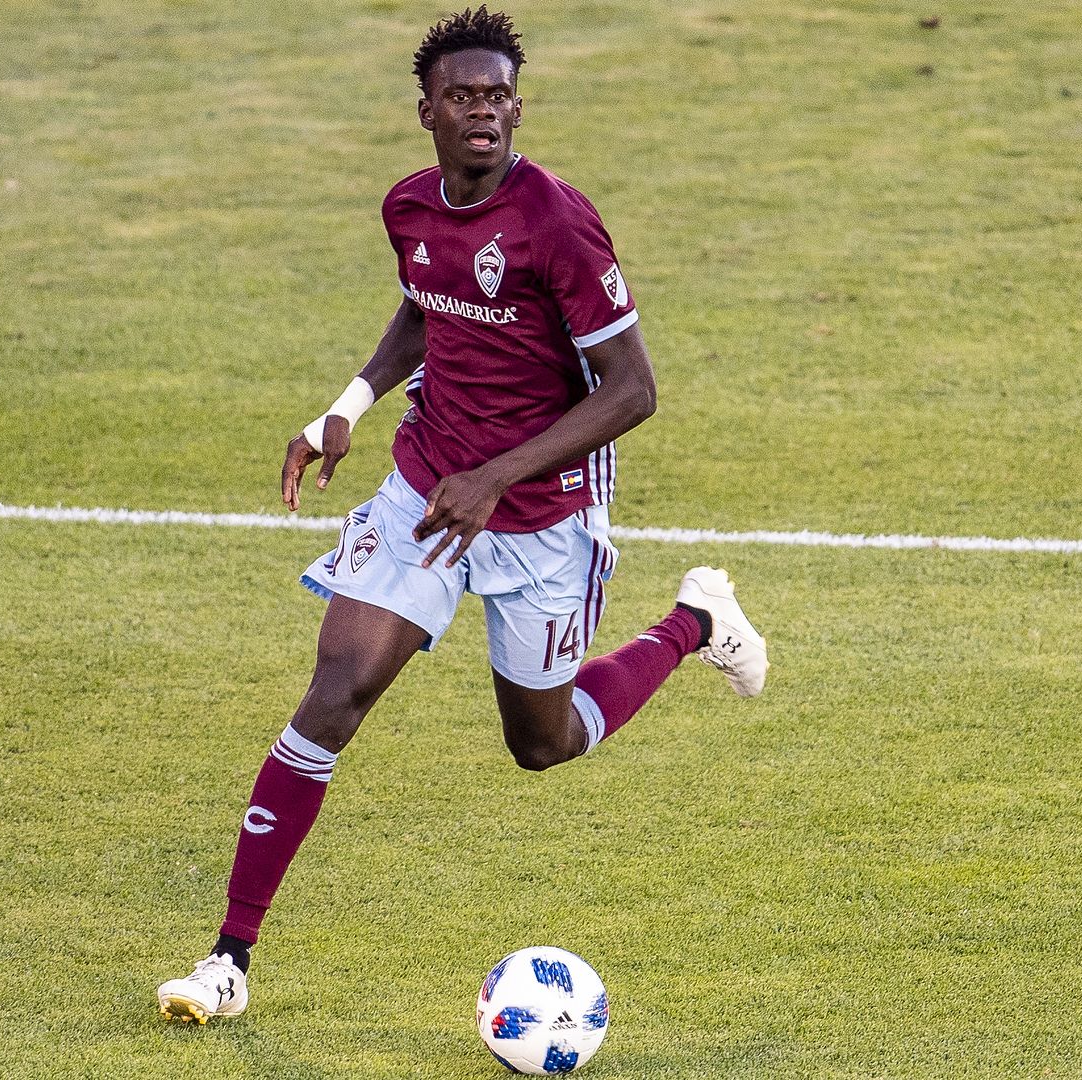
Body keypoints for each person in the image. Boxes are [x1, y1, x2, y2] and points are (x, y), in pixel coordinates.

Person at [155, 6, 768, 1023]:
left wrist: (496, 480)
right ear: (428, 112)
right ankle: (229, 962)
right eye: (463, 98)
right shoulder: (408, 209)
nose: (483, 113)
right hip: (429, 488)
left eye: (498, 98)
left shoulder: (558, 224)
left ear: (516, 109)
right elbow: (422, 303)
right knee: (336, 691)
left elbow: (632, 391)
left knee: (544, 742)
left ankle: (694, 621)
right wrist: (347, 407)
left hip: (541, 515)